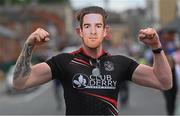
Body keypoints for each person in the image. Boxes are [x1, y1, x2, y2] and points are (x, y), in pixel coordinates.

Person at [12, 6, 172, 115]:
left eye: (98, 26)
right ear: (79, 31)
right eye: (87, 26)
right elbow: (20, 82)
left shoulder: (120, 63)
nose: (93, 31)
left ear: (105, 31)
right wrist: (29, 45)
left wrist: (156, 46)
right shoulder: (64, 61)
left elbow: (163, 82)